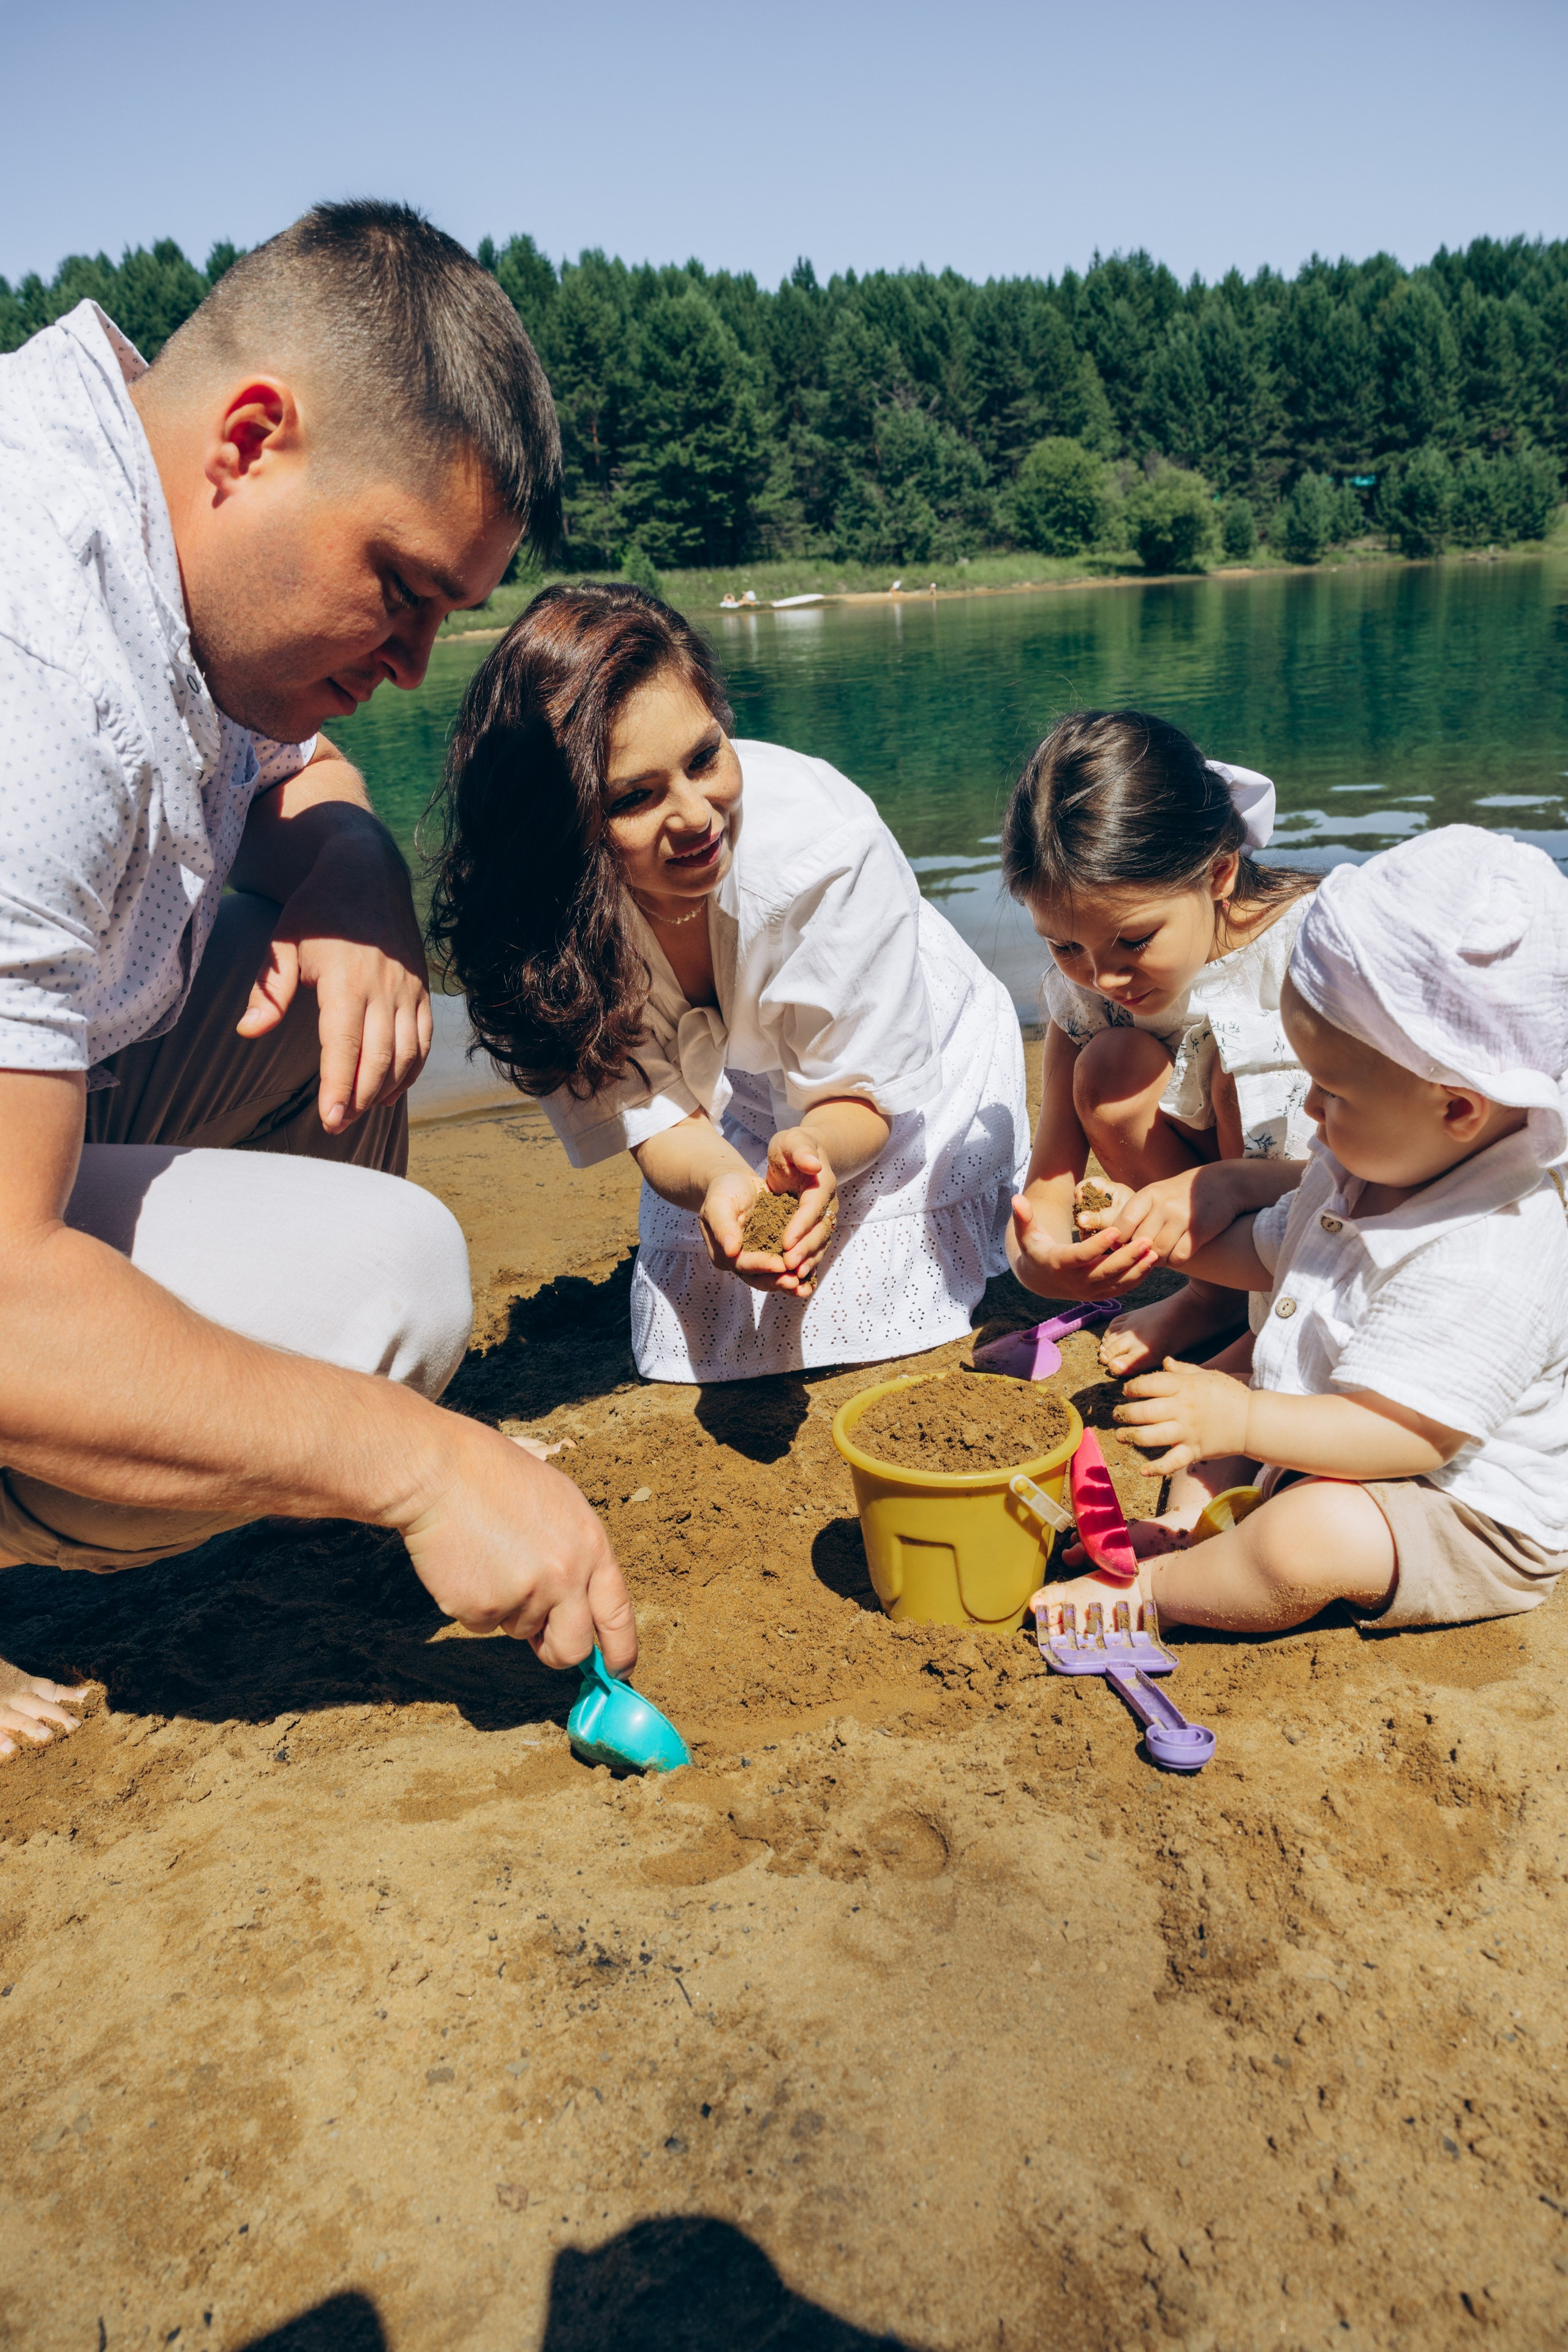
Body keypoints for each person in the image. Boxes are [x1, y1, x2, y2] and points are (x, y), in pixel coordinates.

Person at [0, 202, 635, 1763]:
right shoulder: (36, 655)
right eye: (400, 589)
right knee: (391, 1289)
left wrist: (356, 876)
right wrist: (418, 1466)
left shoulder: (152, 499)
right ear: (253, 439)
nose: (413, 665)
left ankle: (245, 1446)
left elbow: (299, 768)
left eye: (445, 615)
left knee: (324, 1001)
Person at [429, 582, 1028, 1384]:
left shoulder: (827, 850)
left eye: (704, 759)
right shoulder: (540, 932)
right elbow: (657, 1118)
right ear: (553, 829)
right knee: (692, 1324)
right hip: (747, 1078)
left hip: (898, 1051)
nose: (696, 818)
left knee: (852, 1301)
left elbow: (861, 1095)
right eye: (635, 797)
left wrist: (815, 1150)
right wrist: (717, 1176)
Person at [1042, 827, 1568, 1637]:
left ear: (1458, 1108)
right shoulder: (1369, 1161)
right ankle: (1191, 1531)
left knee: (1305, 1535)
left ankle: (1156, 1593)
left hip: (1452, 1503)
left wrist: (1245, 1423)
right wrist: (1163, 1231)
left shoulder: (1492, 1248)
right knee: (1230, 1385)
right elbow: (1270, 1252)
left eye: (1332, 1093)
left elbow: (1408, 1434)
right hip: (1332, 1421)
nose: (1310, 1112)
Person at [1000, 710, 1316, 1375]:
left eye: (1135, 940)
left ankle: (1274, 1321)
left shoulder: (1311, 952)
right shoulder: (1089, 995)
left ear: (1219, 874)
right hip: (1221, 1215)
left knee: (1237, 1058)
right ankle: (1217, 1295)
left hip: (1321, 1207)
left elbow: (1381, 1171)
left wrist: (1226, 1183)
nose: (1104, 978)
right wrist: (1043, 1260)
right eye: (1065, 946)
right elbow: (1048, 1183)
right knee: (1110, 1067)